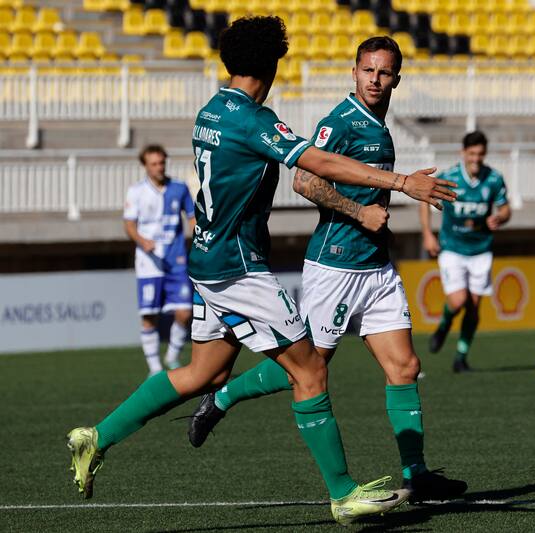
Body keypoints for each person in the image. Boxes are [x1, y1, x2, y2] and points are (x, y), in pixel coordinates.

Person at [65, 17, 456, 526]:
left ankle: (97, 437)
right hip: (238, 269)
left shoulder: (211, 110)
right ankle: (342, 494)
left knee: (202, 373)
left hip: (207, 261)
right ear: (271, 64)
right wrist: (401, 182)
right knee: (311, 369)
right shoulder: (253, 120)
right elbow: (316, 164)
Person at [187, 36, 467, 504]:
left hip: (375, 267)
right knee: (308, 368)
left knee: (405, 367)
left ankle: (416, 474)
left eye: (385, 72)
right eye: (368, 70)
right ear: (354, 73)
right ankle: (221, 398)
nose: (376, 79)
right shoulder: (339, 122)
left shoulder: (380, 125)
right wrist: (361, 213)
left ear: (398, 78)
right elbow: (304, 178)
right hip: (334, 268)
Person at [421, 131, 511, 372]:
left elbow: (505, 209)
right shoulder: (450, 177)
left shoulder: (493, 179)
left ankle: (461, 356)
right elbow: (424, 199)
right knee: (458, 300)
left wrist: (499, 218)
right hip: (452, 248)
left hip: (481, 250)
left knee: (473, 306)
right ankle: (443, 325)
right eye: (472, 153)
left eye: (480, 154)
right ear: (463, 153)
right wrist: (428, 233)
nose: (476, 158)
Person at [123, 145, 195, 375]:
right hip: (148, 262)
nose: (159, 167)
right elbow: (129, 225)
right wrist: (142, 241)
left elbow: (192, 217)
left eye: (162, 162)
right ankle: (154, 368)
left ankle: (172, 357)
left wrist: (197, 240)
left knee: (185, 311)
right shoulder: (136, 192)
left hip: (176, 259)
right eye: (154, 164)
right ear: (145, 166)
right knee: (149, 314)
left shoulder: (179, 188)